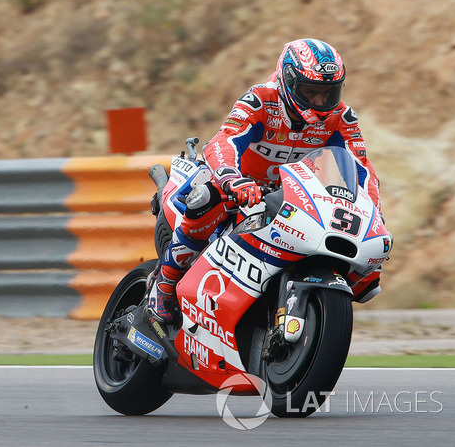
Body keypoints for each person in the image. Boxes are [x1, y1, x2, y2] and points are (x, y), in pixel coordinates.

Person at [151, 38, 382, 325]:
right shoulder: (262, 98)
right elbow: (224, 140)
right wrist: (231, 179)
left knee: (367, 271)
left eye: (329, 93)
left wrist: (372, 211)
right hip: (239, 185)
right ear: (288, 80)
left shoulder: (341, 117)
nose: (321, 103)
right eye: (311, 92)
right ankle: (165, 282)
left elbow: (362, 168)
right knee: (206, 200)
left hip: (298, 193)